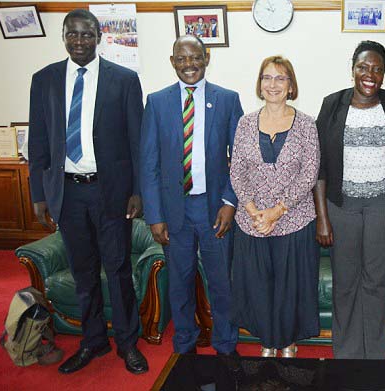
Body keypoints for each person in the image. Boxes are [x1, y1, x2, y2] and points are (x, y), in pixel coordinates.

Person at [28, 9, 147, 375]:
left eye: (86, 34)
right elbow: (38, 140)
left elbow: (137, 141)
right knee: (83, 273)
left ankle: (128, 343)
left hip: (110, 192)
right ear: (63, 37)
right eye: (72, 35)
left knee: (118, 269)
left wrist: (138, 191)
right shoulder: (44, 79)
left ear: (99, 36)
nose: (79, 41)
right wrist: (38, 194)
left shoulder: (124, 80)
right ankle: (93, 341)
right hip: (67, 192)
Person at [140, 35, 243, 356]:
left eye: (195, 57)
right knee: (180, 284)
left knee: (222, 284)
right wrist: (155, 216)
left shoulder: (227, 99)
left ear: (206, 57)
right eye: (181, 59)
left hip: (214, 209)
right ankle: (184, 347)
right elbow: (149, 164)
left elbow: (241, 159)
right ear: (172, 61)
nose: (189, 65)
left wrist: (230, 202)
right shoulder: (157, 102)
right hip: (174, 211)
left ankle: (226, 346)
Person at [314, 40, 385, 359]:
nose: (369, 74)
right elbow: (319, 165)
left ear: (384, 73)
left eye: (376, 68)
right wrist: (322, 216)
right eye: (363, 67)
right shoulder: (331, 104)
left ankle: (375, 358)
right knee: (345, 284)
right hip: (341, 207)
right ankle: (346, 358)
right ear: (353, 69)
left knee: (377, 283)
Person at [230, 56, 320, 358]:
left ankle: (287, 342)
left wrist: (277, 211)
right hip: (252, 221)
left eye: (280, 78)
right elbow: (236, 170)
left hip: (294, 219)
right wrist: (255, 211)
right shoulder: (244, 123)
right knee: (260, 286)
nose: (273, 84)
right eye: (267, 78)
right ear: (259, 84)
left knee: (289, 287)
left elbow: (310, 173)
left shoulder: (306, 124)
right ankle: (268, 340)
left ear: (290, 85)